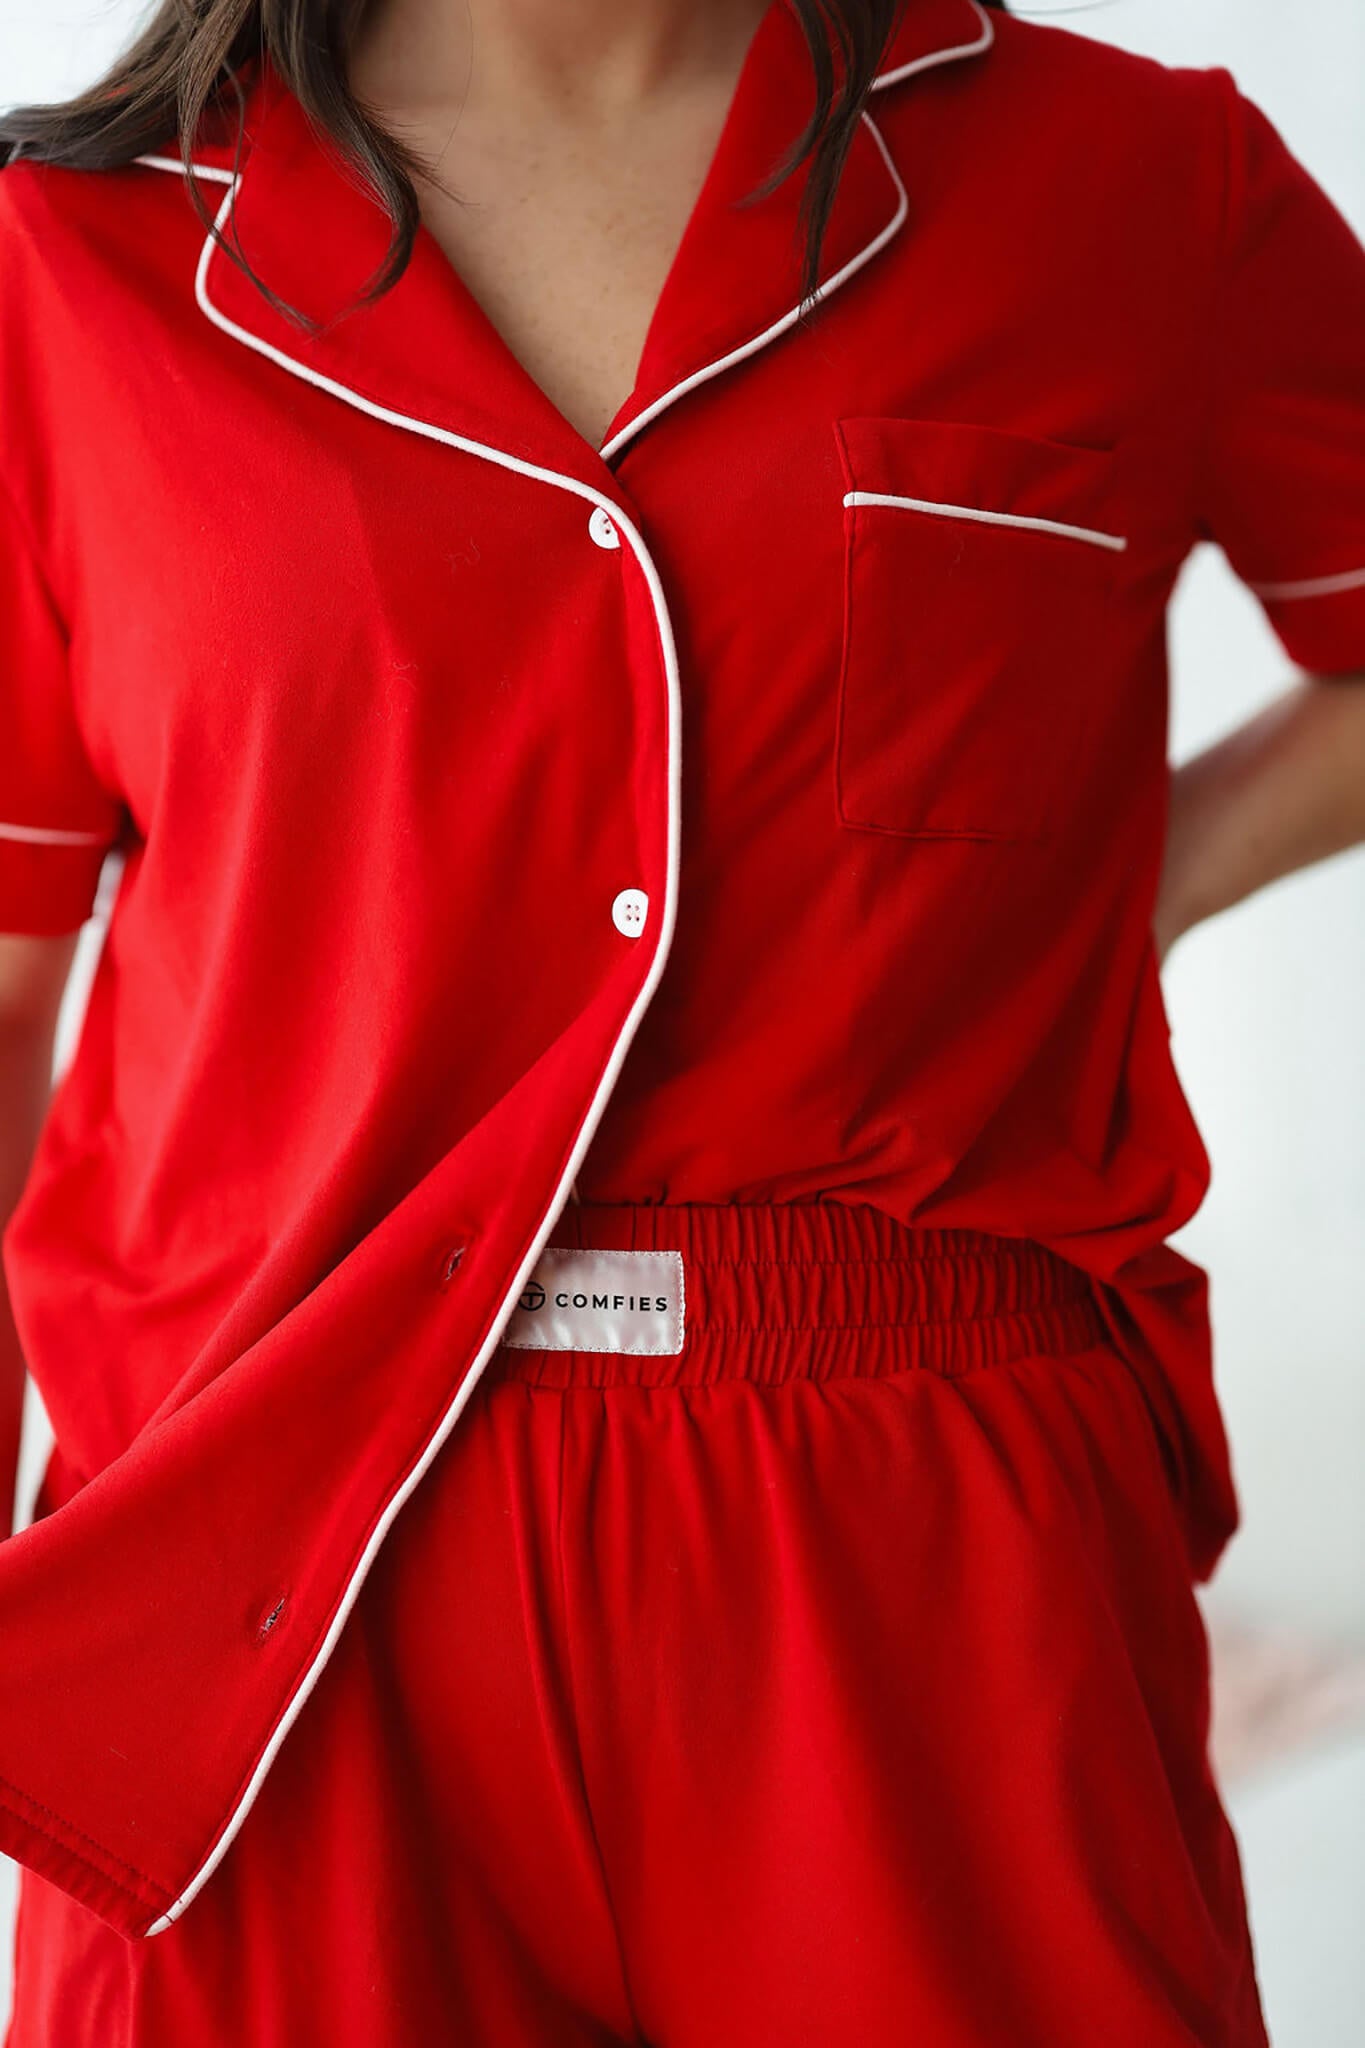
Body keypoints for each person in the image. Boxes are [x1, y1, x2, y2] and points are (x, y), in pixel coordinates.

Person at [0, 0, 1361, 2039]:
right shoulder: (69, 260)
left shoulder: (1131, 184)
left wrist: (1130, 882)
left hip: (928, 1550)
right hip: (269, 1548)